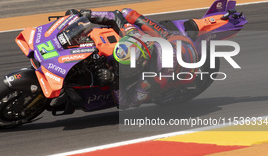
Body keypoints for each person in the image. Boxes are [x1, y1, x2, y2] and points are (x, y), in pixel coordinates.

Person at [65, 8, 198, 108]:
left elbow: (127, 103)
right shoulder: (133, 35)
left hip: (186, 63)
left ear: (142, 64)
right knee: (126, 12)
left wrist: (114, 80)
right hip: (170, 42)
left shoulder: (151, 80)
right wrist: (86, 15)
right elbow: (115, 16)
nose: (117, 66)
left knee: (154, 91)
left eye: (125, 66)